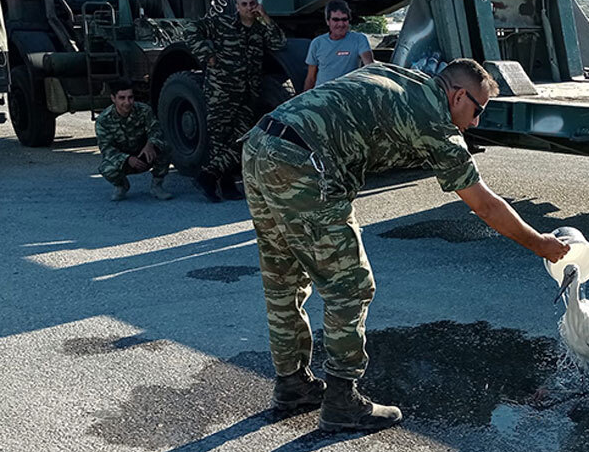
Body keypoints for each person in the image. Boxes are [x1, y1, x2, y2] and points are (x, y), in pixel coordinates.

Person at [240, 59, 570, 432]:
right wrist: (539, 243)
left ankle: (292, 385)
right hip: (305, 162)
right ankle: (341, 401)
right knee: (350, 286)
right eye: (476, 110)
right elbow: (486, 206)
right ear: (458, 95)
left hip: (260, 144)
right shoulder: (435, 124)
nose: (475, 122)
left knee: (283, 277)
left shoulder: (406, 78)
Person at [185, 0, 286, 202]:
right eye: (244, 4)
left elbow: (278, 42)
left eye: (252, 4)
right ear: (237, 6)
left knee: (241, 138)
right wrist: (207, 54)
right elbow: (190, 29)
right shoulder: (222, 24)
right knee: (219, 139)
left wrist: (265, 17)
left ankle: (208, 175)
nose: (249, 8)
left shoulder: (260, 29)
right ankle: (224, 185)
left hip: (248, 93)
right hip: (221, 91)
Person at [95, 80, 172, 201]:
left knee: (165, 147)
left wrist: (150, 144)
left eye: (130, 97)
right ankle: (121, 186)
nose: (127, 102)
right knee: (106, 168)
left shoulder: (144, 110)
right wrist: (127, 159)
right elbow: (107, 149)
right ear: (113, 98)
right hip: (124, 159)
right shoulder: (104, 120)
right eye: (122, 98)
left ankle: (157, 186)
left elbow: (156, 129)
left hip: (145, 154)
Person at [302, 0, 374, 91]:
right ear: (328, 21)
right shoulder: (317, 43)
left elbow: (369, 65)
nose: (340, 24)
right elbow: (311, 78)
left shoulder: (359, 39)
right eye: (336, 20)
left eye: (344, 19)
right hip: (322, 94)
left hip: (347, 93)